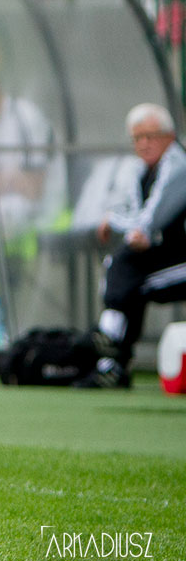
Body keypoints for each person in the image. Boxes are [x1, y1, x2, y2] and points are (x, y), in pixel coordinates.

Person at [77, 103, 186, 389]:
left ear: (170, 136)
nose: (144, 144)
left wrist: (115, 222)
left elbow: (149, 220)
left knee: (129, 280)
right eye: (138, 138)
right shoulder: (141, 171)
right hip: (170, 256)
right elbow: (132, 214)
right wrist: (120, 222)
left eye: (151, 136)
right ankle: (110, 358)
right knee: (121, 266)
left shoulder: (178, 165)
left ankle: (111, 352)